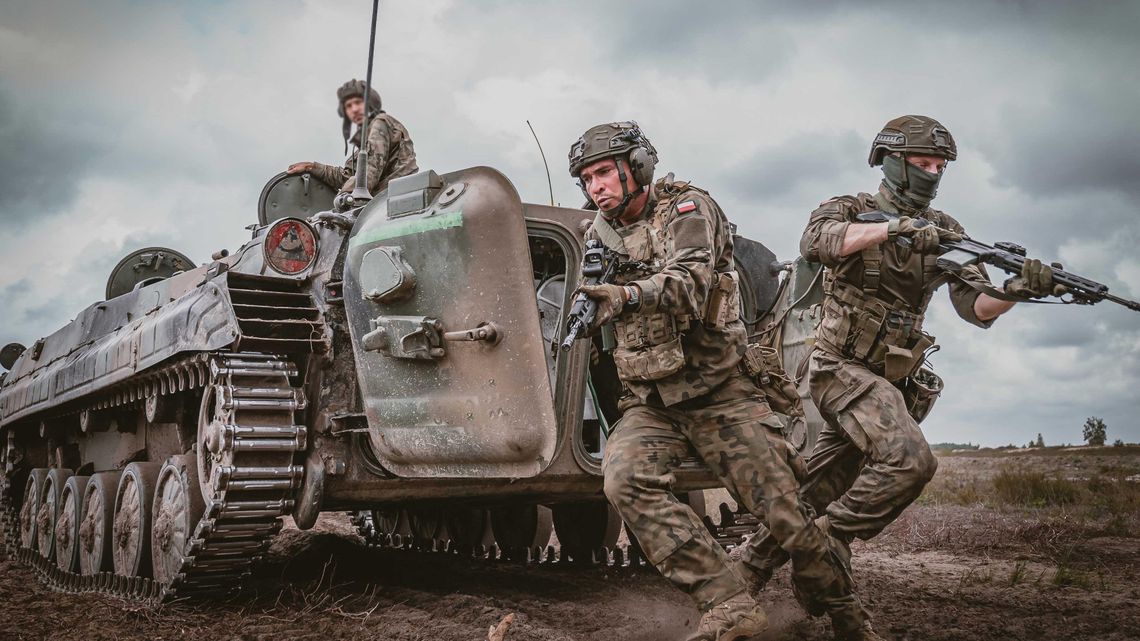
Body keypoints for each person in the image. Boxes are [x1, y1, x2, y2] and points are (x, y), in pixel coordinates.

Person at [735, 115, 1061, 606]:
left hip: (888, 381)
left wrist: (1017, 291)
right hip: (837, 369)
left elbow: (975, 307)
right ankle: (827, 542)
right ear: (891, 161)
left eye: (939, 167)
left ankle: (744, 573)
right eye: (923, 163)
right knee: (911, 461)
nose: (932, 174)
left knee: (816, 490)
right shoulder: (850, 208)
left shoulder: (948, 231)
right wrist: (894, 229)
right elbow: (817, 243)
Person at [569, 121, 875, 641]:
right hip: (652, 402)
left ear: (636, 166)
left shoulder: (688, 210)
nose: (596, 186)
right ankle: (728, 602)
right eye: (586, 179)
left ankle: (847, 616)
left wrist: (623, 297)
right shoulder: (597, 235)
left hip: (719, 392)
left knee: (787, 515)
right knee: (624, 481)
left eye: (603, 172)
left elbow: (691, 282)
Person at [287, 79, 418, 197]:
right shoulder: (367, 137)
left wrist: (342, 200)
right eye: (348, 106)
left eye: (358, 102)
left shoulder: (380, 123)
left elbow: (369, 172)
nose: (354, 109)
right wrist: (311, 167)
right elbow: (349, 177)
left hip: (396, 197)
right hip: (386, 199)